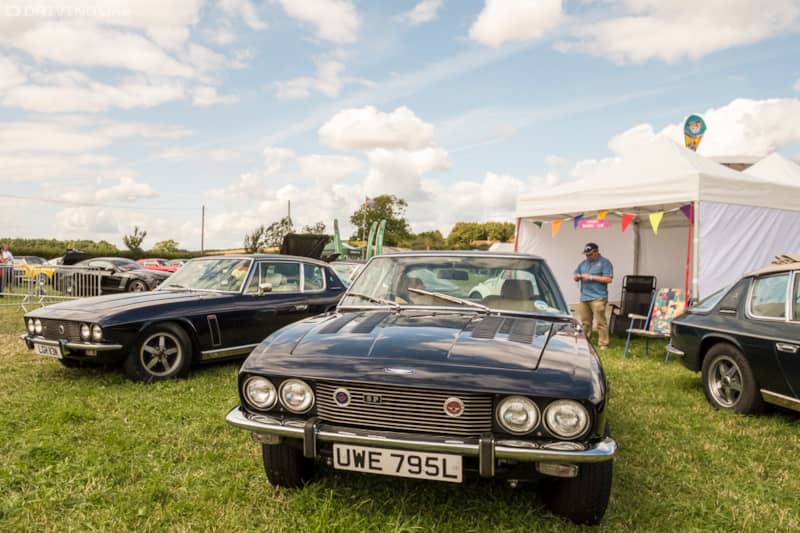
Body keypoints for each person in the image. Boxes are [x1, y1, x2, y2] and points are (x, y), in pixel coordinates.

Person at [573, 242, 613, 349]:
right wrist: (577, 277)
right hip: (584, 297)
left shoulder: (605, 263)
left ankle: (604, 343)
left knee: (600, 322)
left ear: (596, 252)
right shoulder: (583, 263)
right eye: (586, 254)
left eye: (590, 254)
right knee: (585, 322)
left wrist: (591, 277)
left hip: (598, 297)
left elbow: (608, 279)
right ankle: (585, 342)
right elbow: (575, 274)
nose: (588, 256)